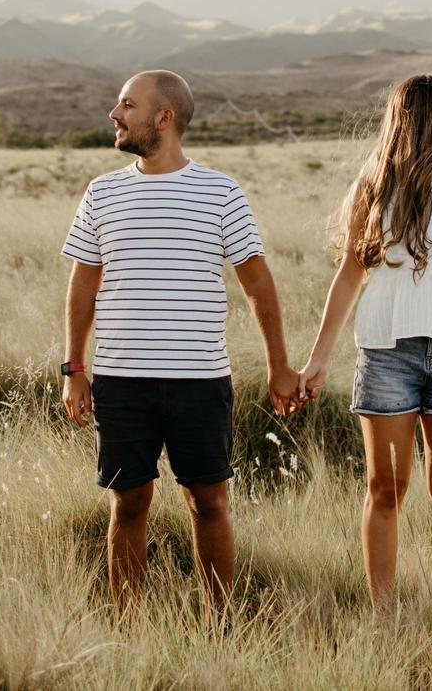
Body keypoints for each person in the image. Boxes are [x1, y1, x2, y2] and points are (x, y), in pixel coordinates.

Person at [59, 69, 301, 617]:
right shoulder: (103, 192)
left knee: (210, 504)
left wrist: (279, 366)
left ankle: (219, 623)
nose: (114, 115)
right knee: (128, 505)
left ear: (163, 118)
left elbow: (256, 280)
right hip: (121, 381)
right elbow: (83, 282)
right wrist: (75, 366)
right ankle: (129, 622)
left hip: (199, 380)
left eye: (127, 105)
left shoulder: (221, 191)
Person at [299, 74, 432, 610]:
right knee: (386, 490)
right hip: (389, 356)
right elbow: (350, 275)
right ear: (423, 119)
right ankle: (383, 615)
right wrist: (319, 358)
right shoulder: (371, 189)